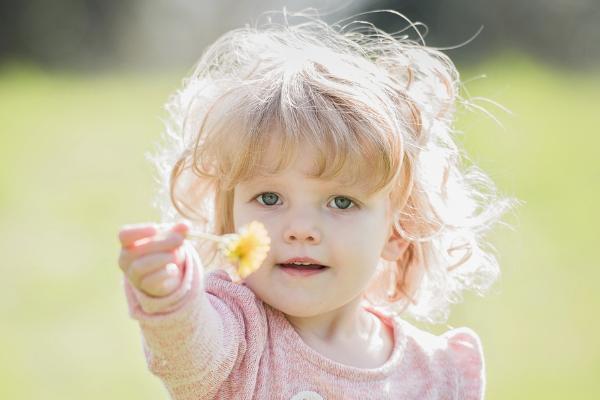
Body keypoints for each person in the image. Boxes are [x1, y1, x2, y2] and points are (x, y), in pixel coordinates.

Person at [117, 10, 512, 400]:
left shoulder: (435, 374)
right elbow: (188, 352)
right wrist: (170, 295)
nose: (300, 227)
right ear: (228, 219)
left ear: (396, 229)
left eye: (341, 202)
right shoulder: (237, 334)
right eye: (269, 198)